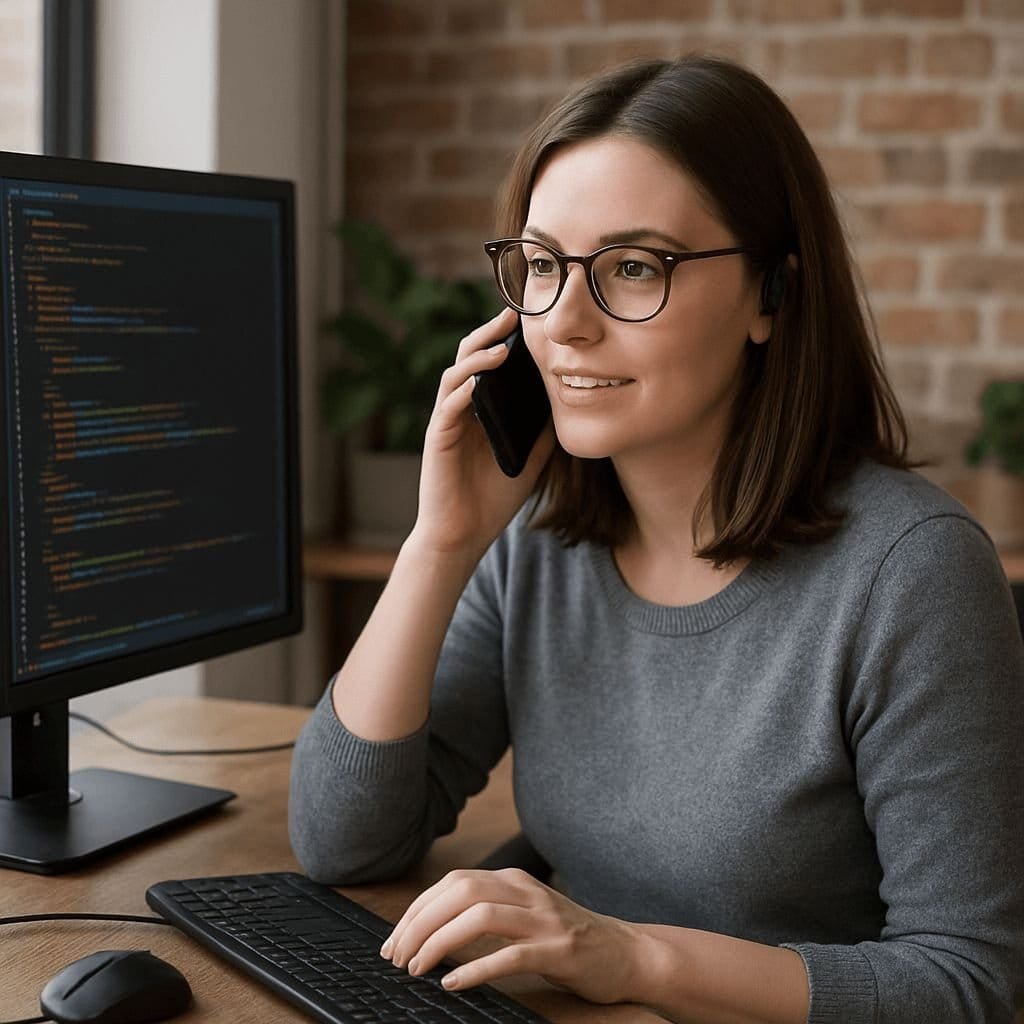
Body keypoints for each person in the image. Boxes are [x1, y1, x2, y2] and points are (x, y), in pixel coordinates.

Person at [289, 55, 1024, 1023]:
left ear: (771, 296)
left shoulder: (912, 572)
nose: (566, 325)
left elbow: (968, 982)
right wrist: (440, 542)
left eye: (633, 267)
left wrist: (632, 957)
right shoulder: (537, 542)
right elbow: (344, 840)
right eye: (545, 266)